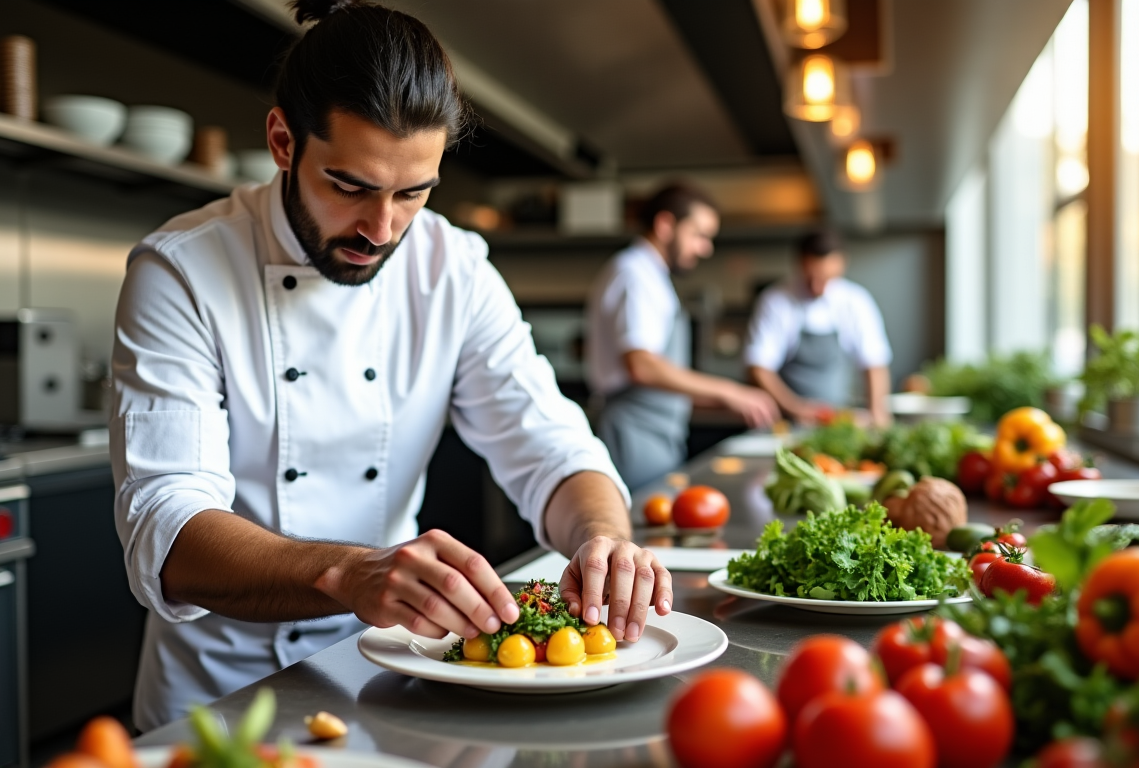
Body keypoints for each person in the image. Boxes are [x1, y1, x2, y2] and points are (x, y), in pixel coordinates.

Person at [110, 0, 670, 731]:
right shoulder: (181, 269)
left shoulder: (453, 268)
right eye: (351, 187)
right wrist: (351, 571)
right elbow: (170, 529)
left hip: (384, 670)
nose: (382, 230)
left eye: (413, 193)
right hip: (220, 694)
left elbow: (550, 444)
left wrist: (605, 539)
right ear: (283, 141)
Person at [586, 184, 779, 491]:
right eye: (699, 235)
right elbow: (643, 366)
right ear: (665, 225)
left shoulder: (652, 276)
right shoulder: (634, 274)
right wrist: (727, 391)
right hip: (635, 434)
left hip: (657, 433)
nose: (705, 248)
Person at [745, 230, 893, 426]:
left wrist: (877, 414)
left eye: (826, 278)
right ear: (799, 263)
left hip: (838, 420)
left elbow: (874, 362)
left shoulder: (856, 301)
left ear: (841, 265)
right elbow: (759, 367)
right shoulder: (776, 301)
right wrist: (795, 407)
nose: (817, 287)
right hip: (784, 420)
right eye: (810, 277)